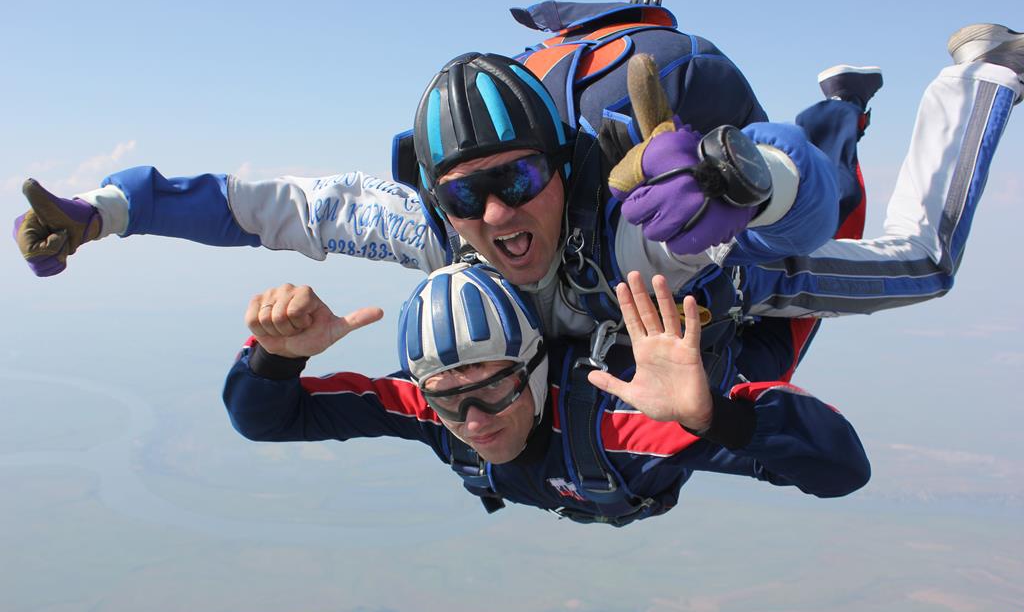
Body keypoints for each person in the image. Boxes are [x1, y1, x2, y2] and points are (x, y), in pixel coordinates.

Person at [13, 14, 1022, 384]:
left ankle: (982, 75)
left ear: (564, 168)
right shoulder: (426, 225)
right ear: (435, 195)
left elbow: (789, 207)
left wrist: (743, 177)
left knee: (917, 263)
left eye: (519, 180)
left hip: (725, 278)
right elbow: (256, 206)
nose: (495, 216)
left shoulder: (636, 225)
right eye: (467, 194)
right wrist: (105, 211)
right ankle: (842, 105)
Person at [225, 263, 870, 526]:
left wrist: (713, 415)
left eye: (493, 388)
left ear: (535, 367)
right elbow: (268, 420)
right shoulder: (432, 408)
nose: (473, 421)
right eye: (447, 397)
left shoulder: (628, 423)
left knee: (806, 256)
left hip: (719, 358)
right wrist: (276, 358)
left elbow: (842, 471)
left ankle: (843, 112)